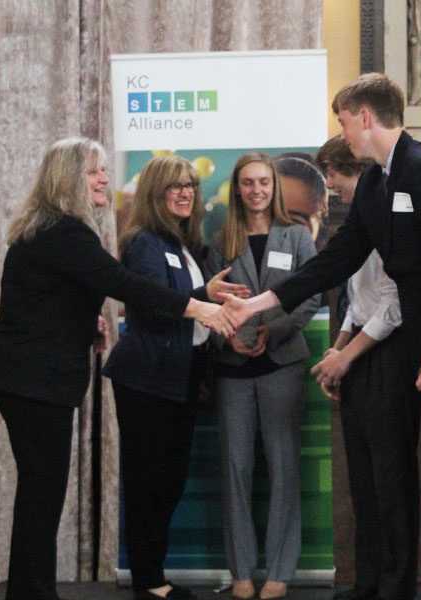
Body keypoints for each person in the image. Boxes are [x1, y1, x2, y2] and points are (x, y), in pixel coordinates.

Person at [222, 73, 421, 600]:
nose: (343, 132)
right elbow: (337, 258)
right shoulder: (379, 182)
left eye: (343, 120)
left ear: (365, 117)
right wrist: (260, 302)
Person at [0, 137, 235, 600]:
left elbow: (43, 295)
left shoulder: (53, 230)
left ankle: (31, 591)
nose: (104, 178)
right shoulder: (66, 232)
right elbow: (122, 282)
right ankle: (33, 593)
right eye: (94, 171)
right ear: (68, 176)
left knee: (40, 490)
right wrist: (198, 309)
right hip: (33, 378)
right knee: (43, 491)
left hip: (27, 375)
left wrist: (86, 317)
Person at [102, 155, 249, 600]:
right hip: (146, 380)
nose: (186, 192)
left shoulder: (186, 244)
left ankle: (154, 574)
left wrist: (210, 297)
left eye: (189, 185)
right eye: (174, 186)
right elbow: (152, 304)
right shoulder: (145, 243)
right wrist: (203, 295)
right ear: (155, 193)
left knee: (168, 480)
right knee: (149, 482)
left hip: (178, 380)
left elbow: (191, 311)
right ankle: (149, 581)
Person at [205, 151, 320, 600]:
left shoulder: (296, 237)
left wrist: (271, 331)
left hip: (282, 364)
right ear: (237, 188)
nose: (257, 190)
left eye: (264, 182)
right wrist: (229, 338)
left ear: (274, 186)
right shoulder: (220, 240)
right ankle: (240, 572)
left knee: (283, 467)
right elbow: (211, 305)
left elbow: (309, 298)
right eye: (248, 183)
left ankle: (279, 572)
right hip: (232, 369)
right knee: (236, 469)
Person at [313, 136, 421, 600]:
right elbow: (358, 303)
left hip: (392, 356)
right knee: (362, 477)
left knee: (391, 476)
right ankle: (368, 579)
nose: (329, 188)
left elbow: (394, 307)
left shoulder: (392, 219)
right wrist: (336, 354)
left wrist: (347, 355)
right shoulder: (358, 224)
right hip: (360, 352)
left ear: (349, 170)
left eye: (331, 177)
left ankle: (398, 585)